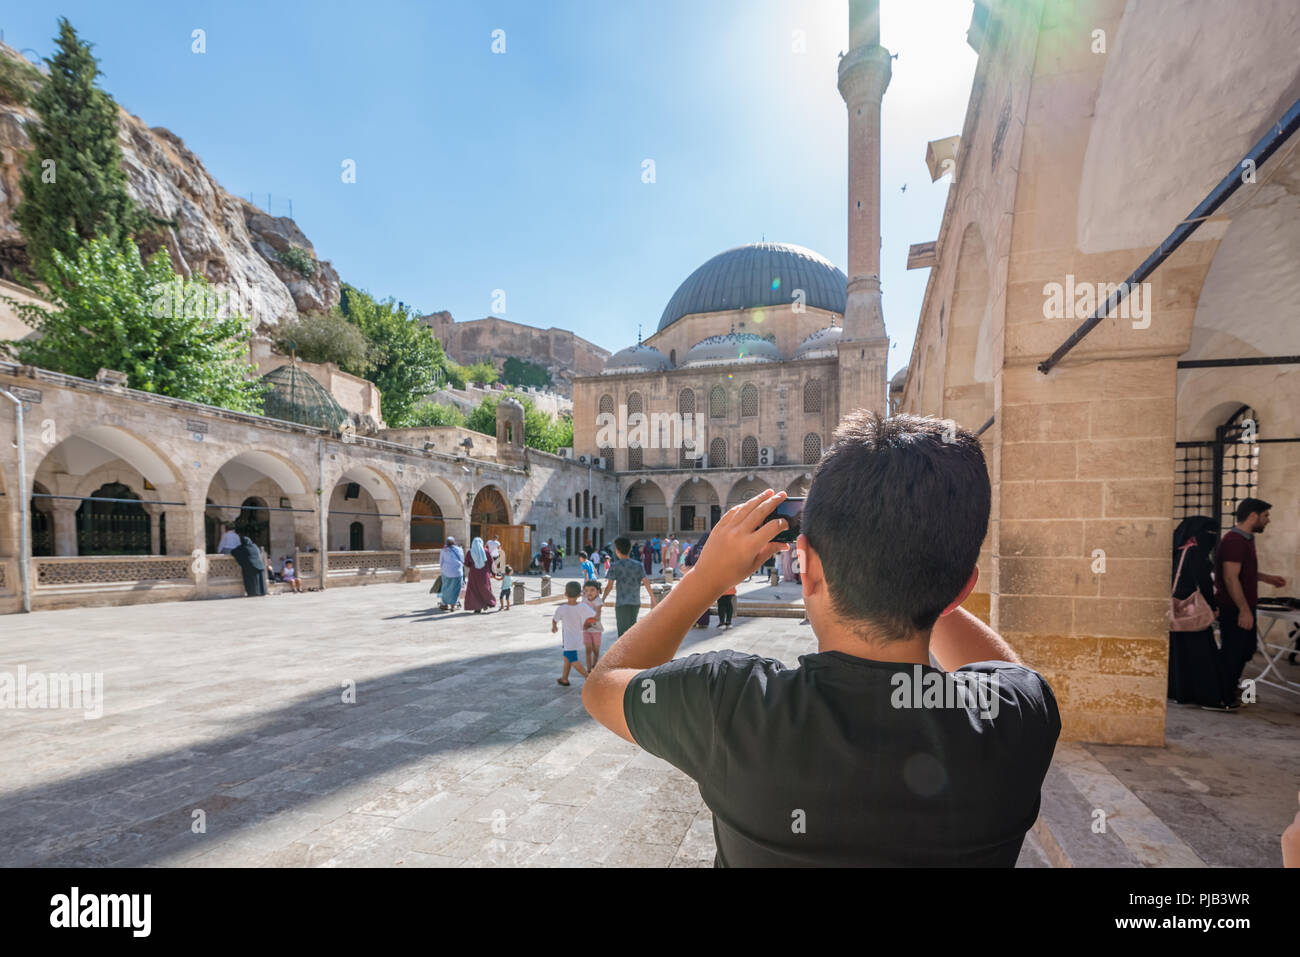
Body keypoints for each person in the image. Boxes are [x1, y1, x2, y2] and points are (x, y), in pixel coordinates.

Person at [582, 412, 1061, 867]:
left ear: (805, 566)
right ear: (962, 590)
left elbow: (603, 686)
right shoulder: (1019, 719)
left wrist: (705, 577)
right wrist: (925, 566)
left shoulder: (727, 703)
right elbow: (1011, 673)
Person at [1215, 498, 1287, 708]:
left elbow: (1243, 572)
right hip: (1234, 607)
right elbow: (1230, 577)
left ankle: (1228, 688)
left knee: (1245, 649)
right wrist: (1244, 610)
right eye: (1266, 516)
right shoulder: (1234, 541)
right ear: (1253, 516)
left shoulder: (1245, 539)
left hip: (1243, 606)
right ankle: (1223, 696)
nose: (1268, 520)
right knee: (1233, 652)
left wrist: (1267, 578)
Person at [1167, 516, 1226, 709]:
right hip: (1193, 611)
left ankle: (1180, 693)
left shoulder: (1178, 552)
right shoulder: (1194, 553)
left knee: (1180, 655)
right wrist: (1213, 606)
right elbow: (1204, 583)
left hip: (1176, 609)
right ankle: (1206, 697)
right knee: (1200, 656)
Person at [602, 536, 658, 638]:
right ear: (630, 549)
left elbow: (609, 587)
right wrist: (653, 599)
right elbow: (646, 583)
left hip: (622, 604)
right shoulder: (638, 565)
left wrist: (602, 599)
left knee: (622, 633)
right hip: (635, 603)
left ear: (617, 551)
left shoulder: (615, 566)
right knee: (632, 631)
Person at [552, 581, 592, 686]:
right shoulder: (583, 607)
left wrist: (554, 626)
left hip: (568, 640)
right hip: (577, 638)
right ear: (580, 595)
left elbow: (554, 620)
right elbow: (594, 616)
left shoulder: (561, 609)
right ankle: (564, 679)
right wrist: (588, 625)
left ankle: (589, 678)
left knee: (572, 659)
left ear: (565, 594)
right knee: (567, 658)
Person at [683, 530, 711, 628]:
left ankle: (693, 622)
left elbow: (686, 563)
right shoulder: (710, 549)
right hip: (705, 580)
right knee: (704, 601)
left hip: (693, 578)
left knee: (694, 602)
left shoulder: (694, 548)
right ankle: (703, 623)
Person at [463, 536, 497, 613]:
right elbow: (491, 563)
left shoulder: (470, 552)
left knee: (474, 590)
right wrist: (494, 573)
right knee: (485, 589)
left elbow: (466, 563)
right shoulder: (486, 551)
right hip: (484, 574)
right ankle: (490, 602)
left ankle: (477, 608)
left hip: (473, 574)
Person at [581, 580, 606, 672]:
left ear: (598, 591)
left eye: (592, 590)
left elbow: (597, 615)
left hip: (596, 629)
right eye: (586, 590)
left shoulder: (598, 601)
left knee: (596, 651)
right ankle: (588, 670)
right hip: (586, 630)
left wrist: (587, 623)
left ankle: (594, 666)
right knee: (588, 650)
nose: (589, 593)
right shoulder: (584, 599)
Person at [438, 536, 465, 611]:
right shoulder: (459, 549)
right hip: (457, 572)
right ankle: (453, 606)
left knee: (445, 588)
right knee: (456, 589)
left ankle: (445, 604)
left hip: (446, 572)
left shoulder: (444, 550)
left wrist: (443, 568)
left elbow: (441, 561)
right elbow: (463, 560)